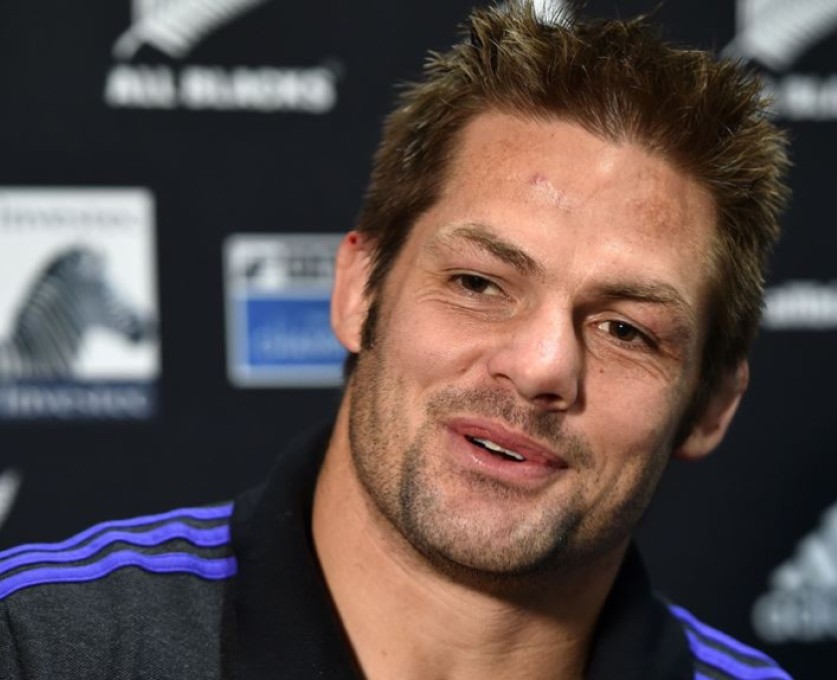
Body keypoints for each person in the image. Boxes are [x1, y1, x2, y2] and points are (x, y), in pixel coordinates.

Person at [0, 4, 792, 679]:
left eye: (625, 330)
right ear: (358, 291)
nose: (542, 365)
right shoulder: (37, 649)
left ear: (712, 405)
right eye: (479, 283)